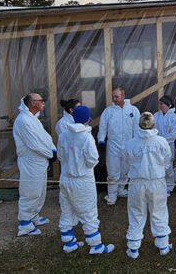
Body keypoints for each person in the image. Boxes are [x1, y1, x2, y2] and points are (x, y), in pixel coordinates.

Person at [57, 106, 114, 255]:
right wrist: (84, 167)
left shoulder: (63, 135)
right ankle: (96, 245)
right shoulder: (86, 137)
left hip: (65, 178)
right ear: (88, 120)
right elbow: (93, 159)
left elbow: (61, 157)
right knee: (88, 212)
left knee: (67, 210)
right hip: (82, 180)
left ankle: (68, 242)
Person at [125, 112, 173, 259]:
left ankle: (133, 248)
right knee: (159, 212)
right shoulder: (161, 141)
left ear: (139, 124)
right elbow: (167, 160)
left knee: (136, 213)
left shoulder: (131, 143)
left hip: (137, 181)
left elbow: (127, 161)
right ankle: (163, 245)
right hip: (157, 181)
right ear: (153, 124)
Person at [13, 93, 56, 236]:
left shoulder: (33, 119)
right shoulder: (23, 121)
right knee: (30, 190)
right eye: (40, 101)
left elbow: (45, 137)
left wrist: (53, 149)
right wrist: (50, 154)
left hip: (39, 160)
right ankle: (25, 223)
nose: (43, 103)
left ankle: (33, 215)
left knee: (40, 190)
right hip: (31, 162)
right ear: (32, 103)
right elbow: (34, 144)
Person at [98, 87, 140, 205]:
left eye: (116, 96)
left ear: (123, 96)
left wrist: (137, 143)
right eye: (113, 97)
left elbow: (136, 128)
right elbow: (103, 127)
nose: (114, 99)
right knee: (112, 170)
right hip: (113, 146)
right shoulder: (108, 111)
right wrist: (101, 140)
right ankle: (111, 194)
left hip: (128, 145)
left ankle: (121, 189)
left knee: (125, 169)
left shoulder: (133, 110)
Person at [153, 95, 176, 195]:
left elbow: (172, 135)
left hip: (168, 146)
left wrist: (160, 140)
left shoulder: (174, 117)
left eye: (161, 104)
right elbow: (152, 129)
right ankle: (159, 185)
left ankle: (169, 186)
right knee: (157, 166)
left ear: (168, 105)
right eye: (159, 103)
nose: (159, 106)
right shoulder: (156, 115)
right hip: (156, 146)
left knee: (168, 167)